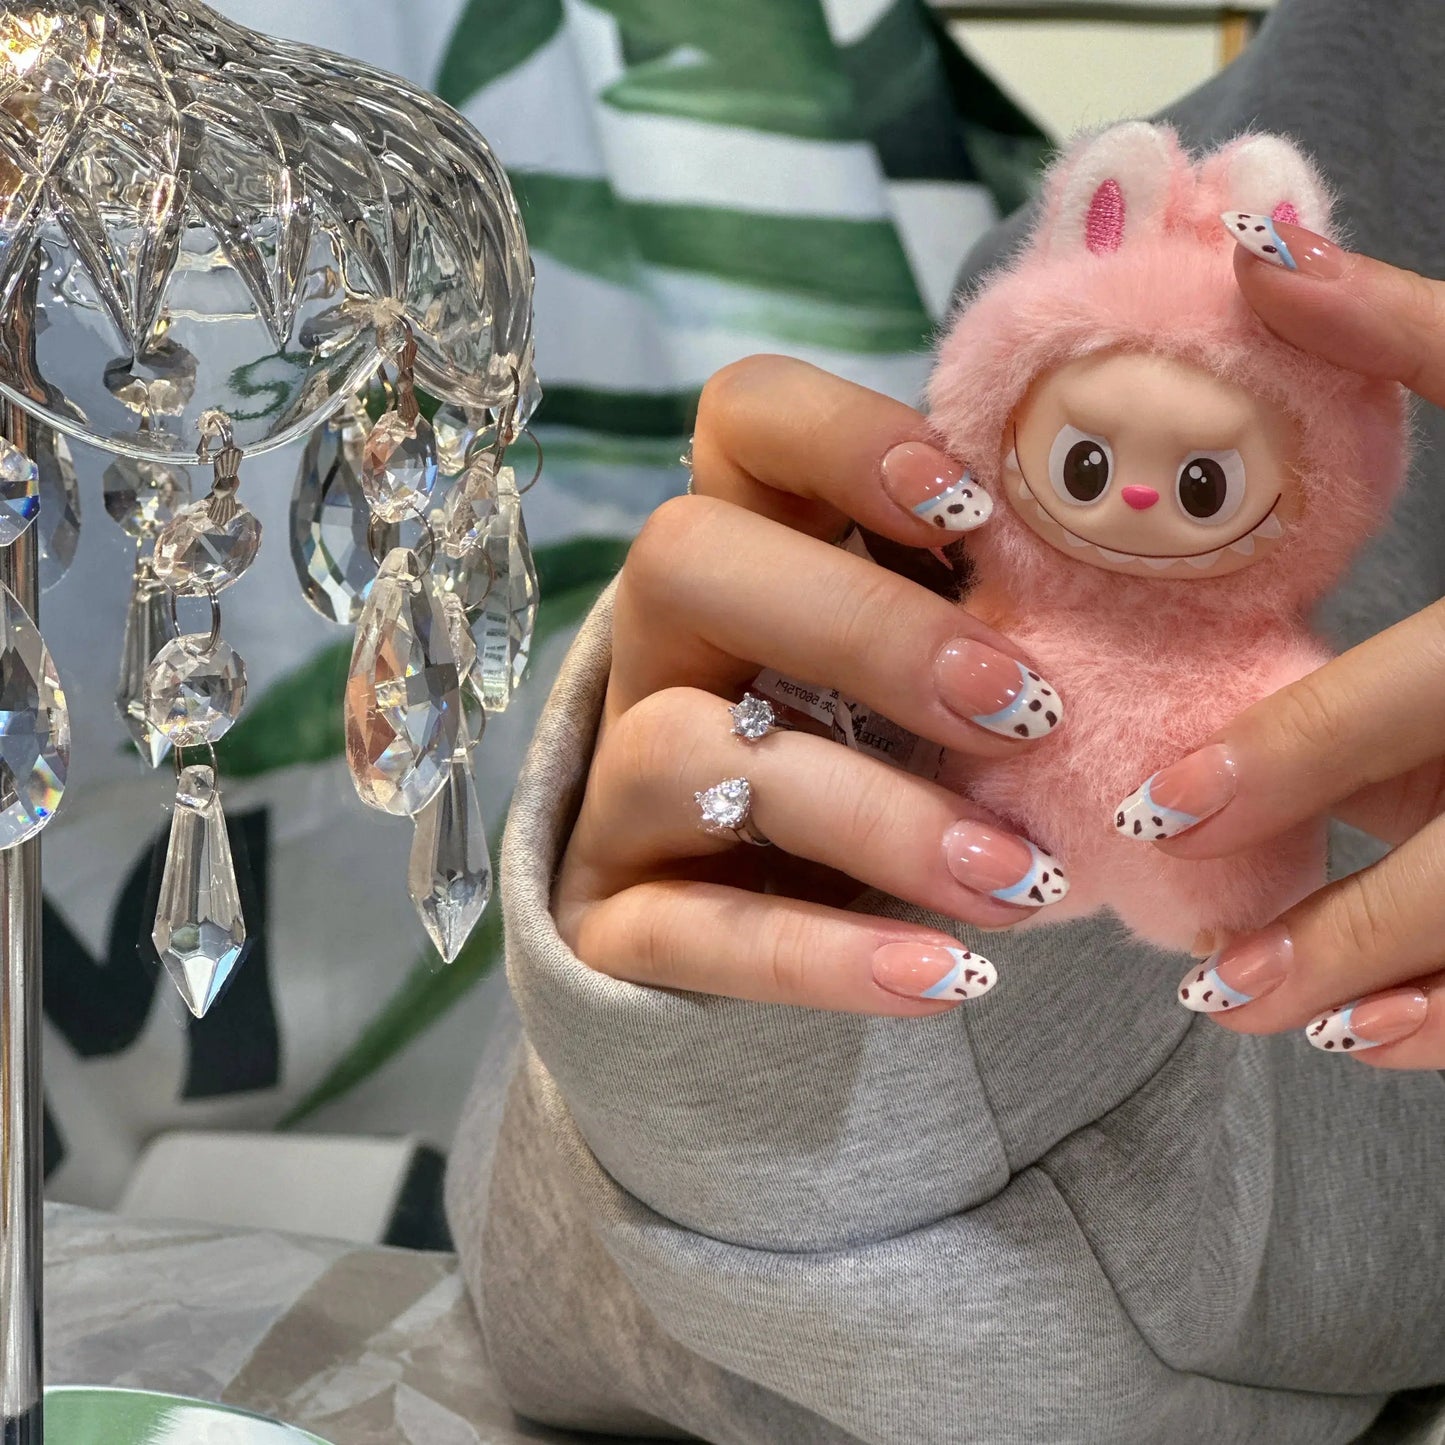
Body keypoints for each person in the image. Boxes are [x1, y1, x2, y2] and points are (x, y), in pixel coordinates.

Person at [446, 2, 1445, 1440]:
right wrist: (708, 1045)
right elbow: (559, 1302)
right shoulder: (1258, 241)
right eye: (1092, 463)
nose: (1143, 505)